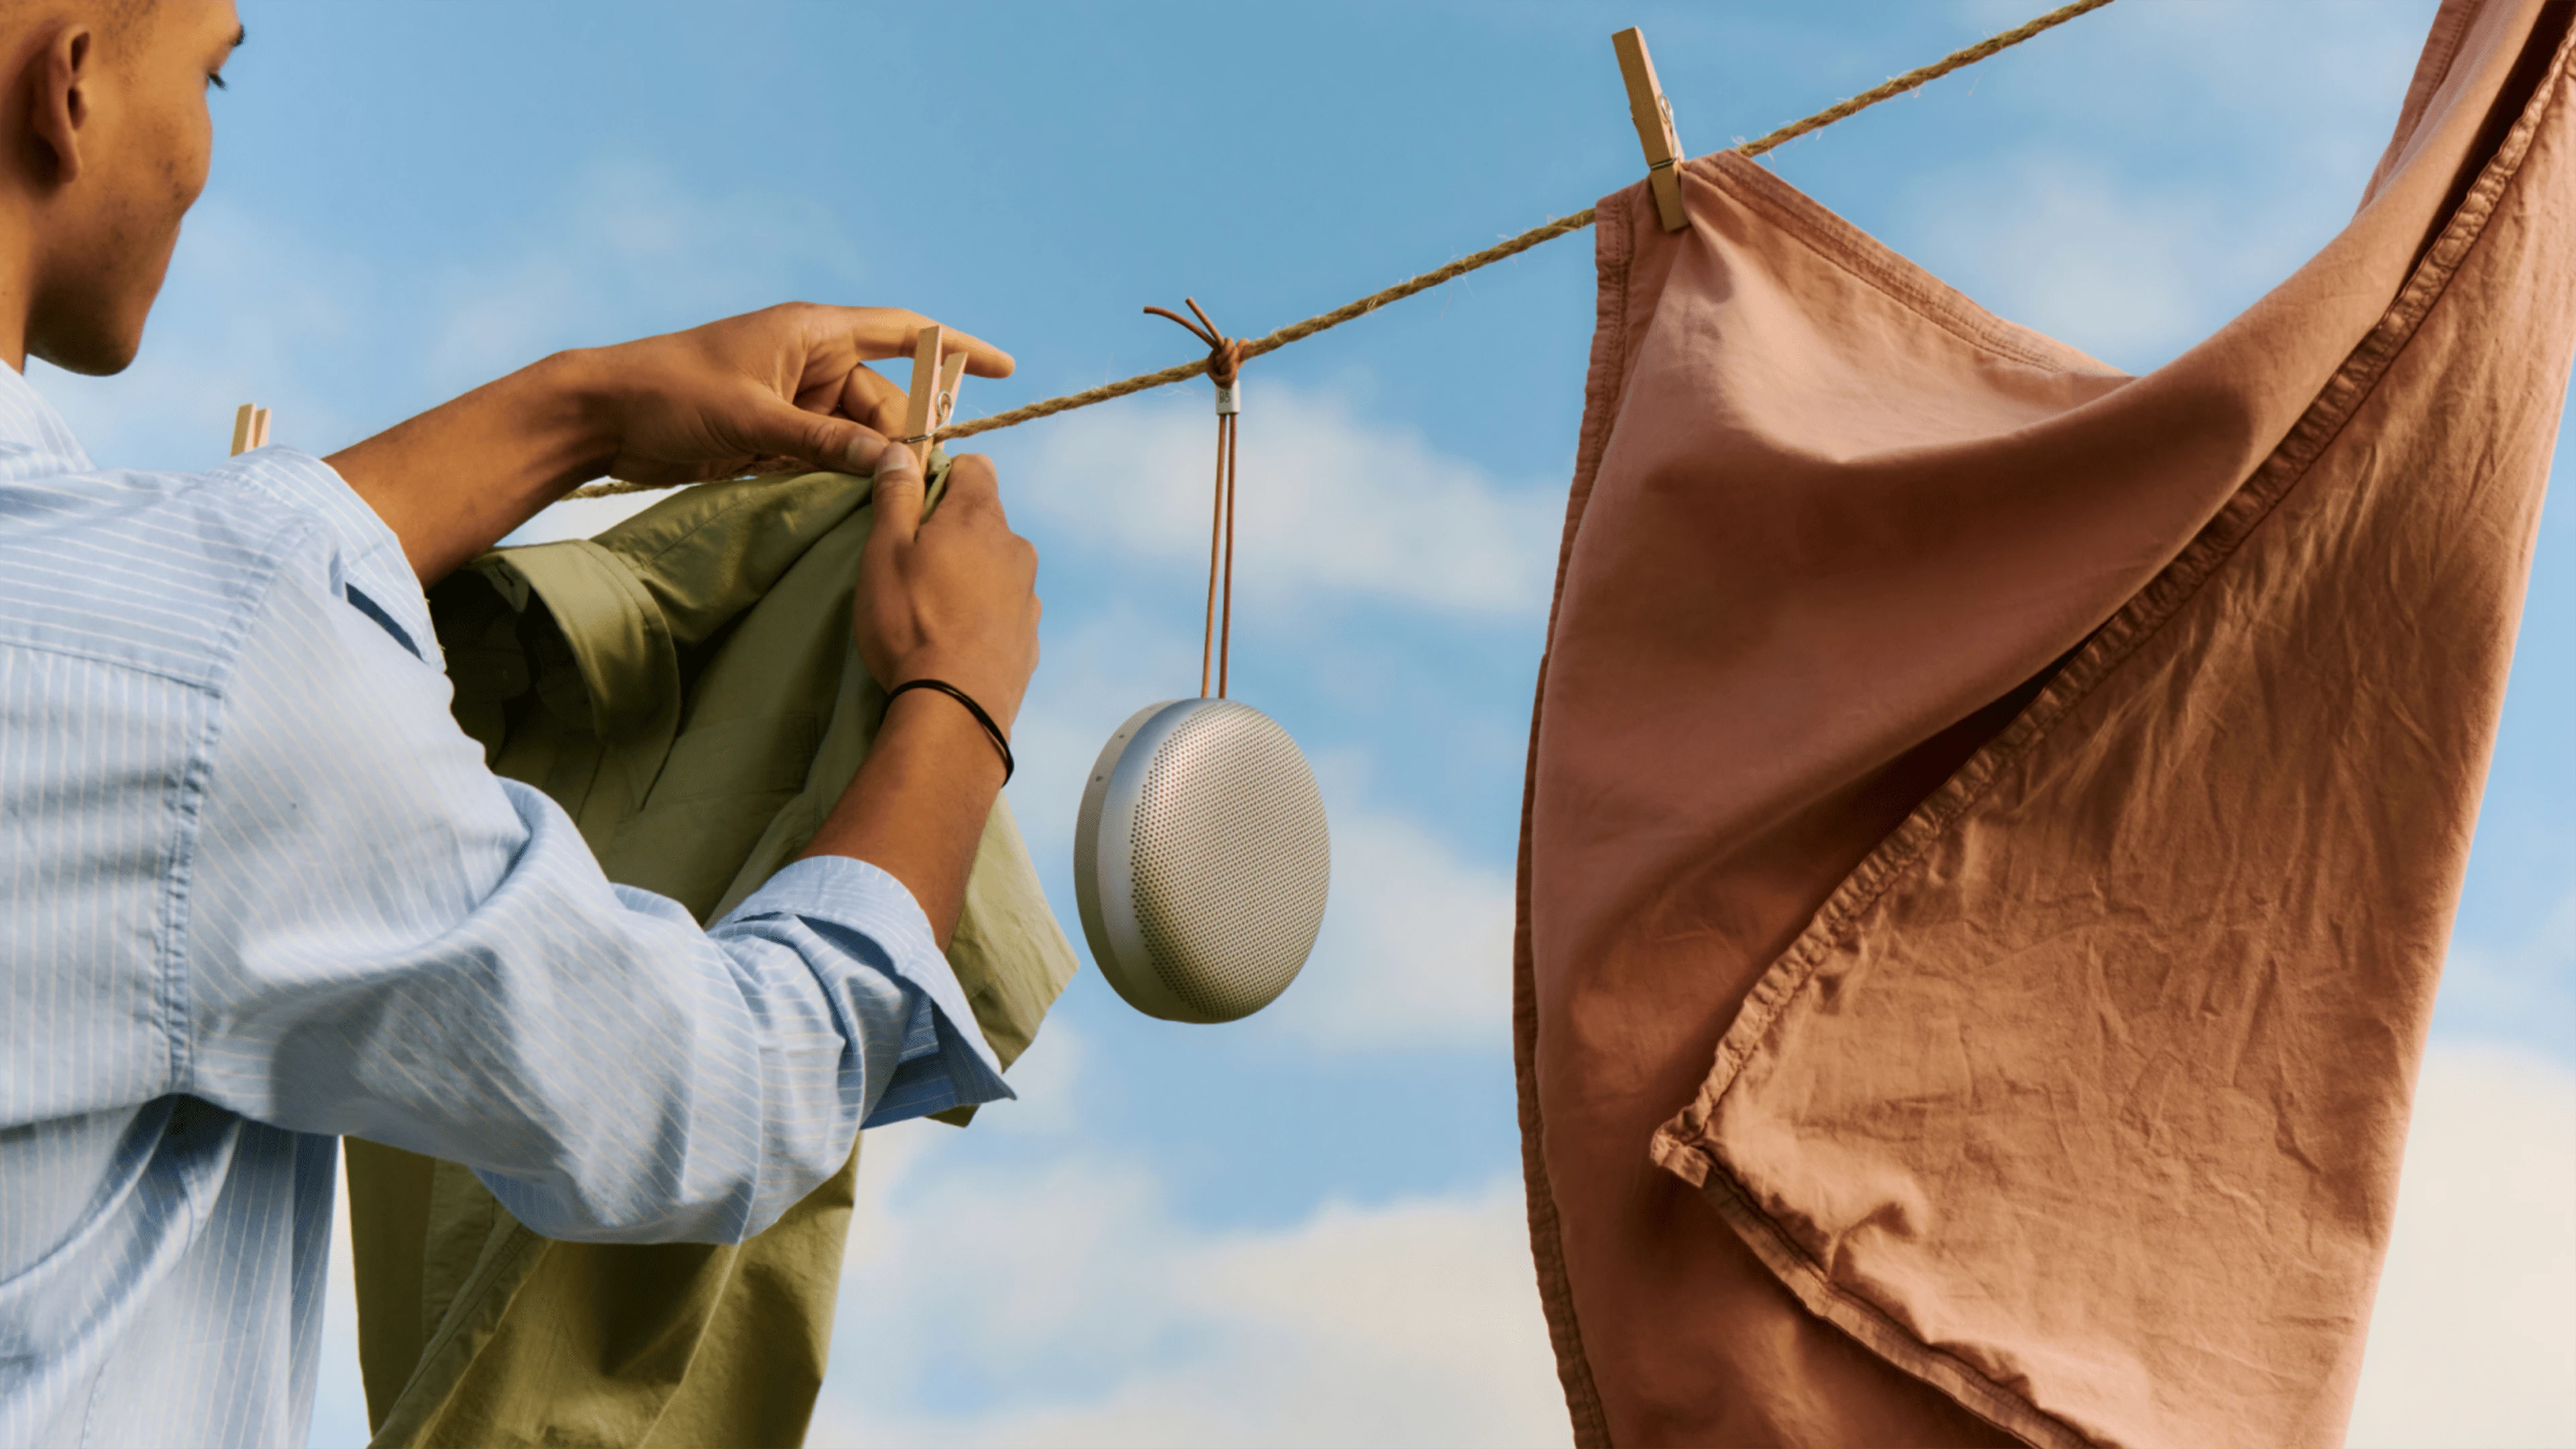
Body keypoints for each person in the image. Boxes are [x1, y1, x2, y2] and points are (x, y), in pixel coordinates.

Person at [0, 3, 1044, 1443]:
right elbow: (716, 1091)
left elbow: (185, 602)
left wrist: (587, 411)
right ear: (69, 85)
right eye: (213, 70)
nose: (203, 150)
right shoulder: (201, 677)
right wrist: (954, 700)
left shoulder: (145, 632)